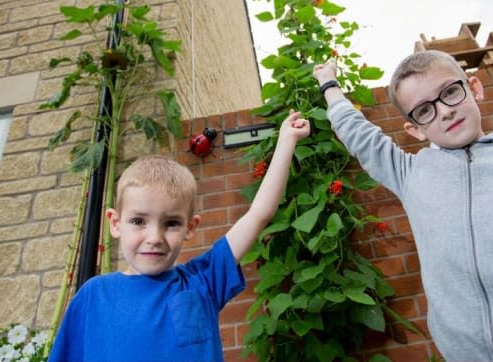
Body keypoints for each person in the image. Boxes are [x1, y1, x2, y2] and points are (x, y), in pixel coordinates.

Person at [313, 50, 493, 361]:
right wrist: (328, 83)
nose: (445, 112)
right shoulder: (410, 174)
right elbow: (359, 135)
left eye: (450, 92)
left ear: (474, 88)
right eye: (424, 110)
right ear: (415, 129)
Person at [48, 110, 310, 362]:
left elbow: (258, 214)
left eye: (171, 223)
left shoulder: (202, 281)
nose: (155, 237)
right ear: (115, 223)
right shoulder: (93, 296)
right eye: (139, 221)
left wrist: (286, 141)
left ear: (190, 227)